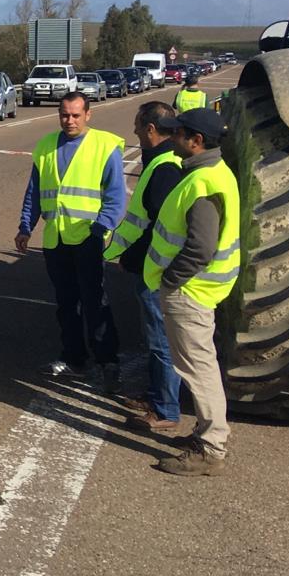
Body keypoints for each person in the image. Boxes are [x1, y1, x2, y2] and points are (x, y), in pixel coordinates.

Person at [143, 108, 240, 477]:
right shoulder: (212, 173)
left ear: (196, 141)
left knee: (198, 368)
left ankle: (211, 447)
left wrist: (171, 280)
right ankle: (205, 434)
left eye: (178, 133)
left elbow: (201, 248)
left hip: (190, 291)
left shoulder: (203, 184)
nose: (172, 138)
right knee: (199, 364)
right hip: (198, 289)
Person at [16, 92, 127, 384]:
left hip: (88, 238)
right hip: (55, 240)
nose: (70, 120)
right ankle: (73, 357)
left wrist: (100, 228)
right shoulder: (46, 146)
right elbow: (35, 193)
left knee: (94, 302)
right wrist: (26, 226)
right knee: (66, 303)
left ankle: (108, 361)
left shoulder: (105, 146)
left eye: (76, 115)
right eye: (65, 114)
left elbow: (116, 197)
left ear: (88, 115)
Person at [104, 100, 186, 432]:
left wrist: (133, 258)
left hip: (158, 273)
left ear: (151, 129)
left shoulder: (165, 167)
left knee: (160, 341)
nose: (135, 131)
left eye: (138, 126)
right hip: (153, 269)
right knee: (157, 339)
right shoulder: (165, 161)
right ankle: (157, 396)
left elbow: (157, 227)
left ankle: (165, 409)